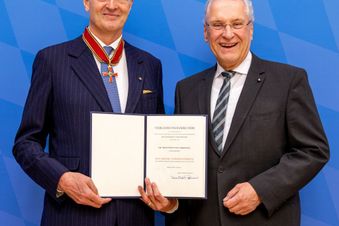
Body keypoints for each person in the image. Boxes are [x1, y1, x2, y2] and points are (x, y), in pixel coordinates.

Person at [166, 0, 330, 225]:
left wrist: (260, 190)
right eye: (217, 24)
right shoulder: (186, 89)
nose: (227, 34)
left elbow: (314, 150)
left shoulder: (288, 81)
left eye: (236, 23)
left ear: (250, 29)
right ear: (206, 32)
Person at [12, 0, 175, 225]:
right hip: (73, 216)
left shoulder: (149, 65)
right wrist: (62, 179)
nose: (112, 5)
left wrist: (172, 196)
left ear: (131, 4)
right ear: (86, 2)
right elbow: (25, 143)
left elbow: (158, 143)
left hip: (135, 217)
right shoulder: (52, 61)